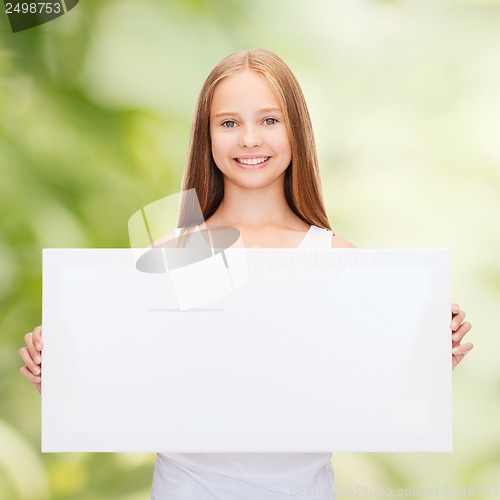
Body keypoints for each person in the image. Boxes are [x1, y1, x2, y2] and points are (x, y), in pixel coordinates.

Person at [19, 49, 473, 499]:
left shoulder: (334, 258)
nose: (250, 139)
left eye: (270, 120)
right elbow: (126, 389)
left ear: (297, 131)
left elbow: (368, 396)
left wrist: (427, 364)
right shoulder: (175, 255)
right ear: (207, 136)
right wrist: (61, 375)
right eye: (229, 122)